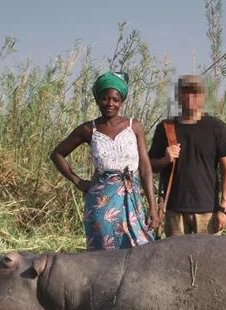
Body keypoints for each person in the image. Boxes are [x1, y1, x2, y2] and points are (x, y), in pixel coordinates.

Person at [50, 71, 159, 250]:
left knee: (141, 249)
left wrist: (153, 209)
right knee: (104, 254)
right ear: (98, 100)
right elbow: (57, 154)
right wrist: (77, 181)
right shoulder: (88, 129)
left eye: (115, 100)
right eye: (105, 99)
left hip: (131, 202)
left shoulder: (134, 126)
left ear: (122, 101)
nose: (110, 104)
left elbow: (145, 168)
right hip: (101, 203)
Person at [148, 74, 226, 236]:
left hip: (208, 210)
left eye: (195, 92)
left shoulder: (217, 127)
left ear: (202, 97)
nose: (190, 97)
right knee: (176, 260)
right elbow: (150, 166)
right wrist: (165, 159)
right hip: (174, 210)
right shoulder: (166, 128)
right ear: (178, 96)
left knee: (209, 260)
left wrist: (225, 207)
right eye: (186, 92)